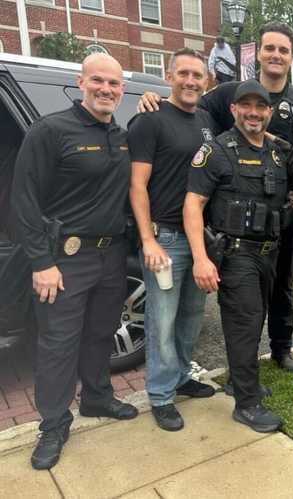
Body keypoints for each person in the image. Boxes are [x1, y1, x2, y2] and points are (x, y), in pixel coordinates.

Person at [139, 21, 293, 372]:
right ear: (259, 53)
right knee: (242, 297)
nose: (276, 55)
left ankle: (281, 348)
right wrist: (155, 100)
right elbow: (188, 106)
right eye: (269, 48)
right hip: (234, 216)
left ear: (291, 55)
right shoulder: (228, 93)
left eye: (283, 50)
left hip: (282, 214)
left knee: (281, 284)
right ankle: (240, 365)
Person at [11, 54, 139, 470]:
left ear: (122, 90)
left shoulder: (121, 136)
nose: (107, 90)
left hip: (113, 253)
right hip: (65, 257)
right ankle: (52, 423)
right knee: (57, 344)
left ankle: (98, 398)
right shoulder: (50, 131)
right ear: (80, 83)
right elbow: (24, 201)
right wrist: (40, 262)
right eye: (98, 81)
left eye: (114, 84)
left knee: (101, 332)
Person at [183, 80, 293, 433]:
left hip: (269, 254)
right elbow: (192, 204)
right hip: (235, 255)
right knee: (244, 324)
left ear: (269, 112)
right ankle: (247, 405)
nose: (253, 112)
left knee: (253, 320)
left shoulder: (277, 152)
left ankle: (240, 381)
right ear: (233, 110)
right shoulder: (217, 151)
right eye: (245, 106)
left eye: (260, 107)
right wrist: (201, 259)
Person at [128, 48, 219, 432]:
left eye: (197, 75)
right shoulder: (149, 120)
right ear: (169, 76)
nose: (190, 81)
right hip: (165, 237)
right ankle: (161, 394)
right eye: (183, 73)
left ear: (206, 81)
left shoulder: (205, 120)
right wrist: (148, 240)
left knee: (189, 317)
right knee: (161, 321)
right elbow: (137, 185)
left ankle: (181, 375)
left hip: (198, 238)